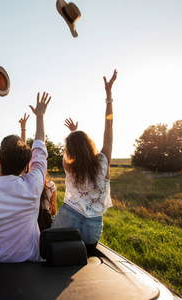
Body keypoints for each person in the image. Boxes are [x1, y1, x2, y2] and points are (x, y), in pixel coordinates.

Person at [0, 92, 51, 265]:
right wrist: (40, 117)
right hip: (31, 268)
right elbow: (40, 150)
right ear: (25, 166)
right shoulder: (34, 186)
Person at [52, 69, 117, 249]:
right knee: (85, 259)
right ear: (90, 144)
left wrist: (72, 133)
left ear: (70, 150)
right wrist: (108, 95)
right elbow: (109, 127)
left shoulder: (68, 165)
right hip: (93, 224)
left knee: (56, 252)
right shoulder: (104, 162)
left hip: (68, 215)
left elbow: (73, 154)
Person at [18, 113, 56, 231]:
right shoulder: (51, 186)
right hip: (46, 223)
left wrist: (23, 129)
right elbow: (53, 210)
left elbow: (21, 155)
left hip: (29, 223)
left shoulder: (23, 184)